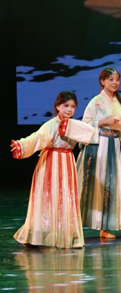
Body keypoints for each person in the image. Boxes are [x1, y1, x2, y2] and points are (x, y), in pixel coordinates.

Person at [11, 91, 96, 248]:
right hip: (51, 162)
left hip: (67, 161)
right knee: (47, 198)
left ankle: (68, 236)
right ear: (58, 106)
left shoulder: (74, 125)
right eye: (66, 105)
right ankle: (35, 236)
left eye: (73, 106)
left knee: (66, 198)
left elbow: (89, 133)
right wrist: (22, 145)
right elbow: (38, 137)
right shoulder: (51, 124)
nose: (69, 109)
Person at [76, 67, 121, 240]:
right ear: (103, 81)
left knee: (112, 186)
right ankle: (78, 226)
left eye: (117, 79)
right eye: (111, 79)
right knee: (96, 185)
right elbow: (85, 124)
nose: (115, 83)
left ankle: (105, 227)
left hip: (114, 144)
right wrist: (102, 122)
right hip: (99, 145)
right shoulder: (96, 101)